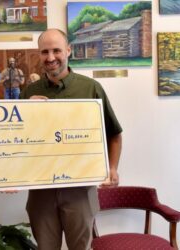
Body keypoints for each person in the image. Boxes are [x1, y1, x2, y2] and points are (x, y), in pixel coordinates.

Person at [20, 29, 123, 250]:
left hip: (80, 191)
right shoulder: (29, 92)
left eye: (56, 50)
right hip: (41, 191)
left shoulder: (91, 87)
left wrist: (112, 168)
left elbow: (113, 133)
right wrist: (27, 111)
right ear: (38, 54)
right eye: (44, 52)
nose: (50, 58)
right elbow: (17, 139)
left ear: (68, 50)